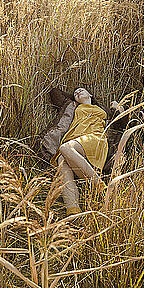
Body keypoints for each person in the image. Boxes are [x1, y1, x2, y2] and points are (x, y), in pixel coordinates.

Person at [52, 87, 109, 217]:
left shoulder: (102, 109)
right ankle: (73, 211)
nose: (77, 93)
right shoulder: (72, 106)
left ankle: (99, 187)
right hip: (75, 141)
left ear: (90, 93)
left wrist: (118, 108)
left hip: (94, 138)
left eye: (81, 90)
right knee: (61, 160)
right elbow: (54, 92)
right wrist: (73, 98)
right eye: (75, 93)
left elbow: (121, 123)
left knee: (65, 149)